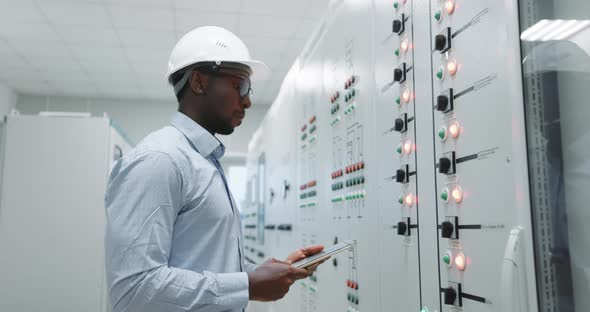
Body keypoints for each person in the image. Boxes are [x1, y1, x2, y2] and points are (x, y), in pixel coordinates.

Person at [104, 26, 324, 312]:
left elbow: (201, 262)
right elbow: (133, 291)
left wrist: (262, 273)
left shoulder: (205, 162)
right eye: (240, 85)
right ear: (198, 81)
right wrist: (247, 285)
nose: (247, 100)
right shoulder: (160, 160)